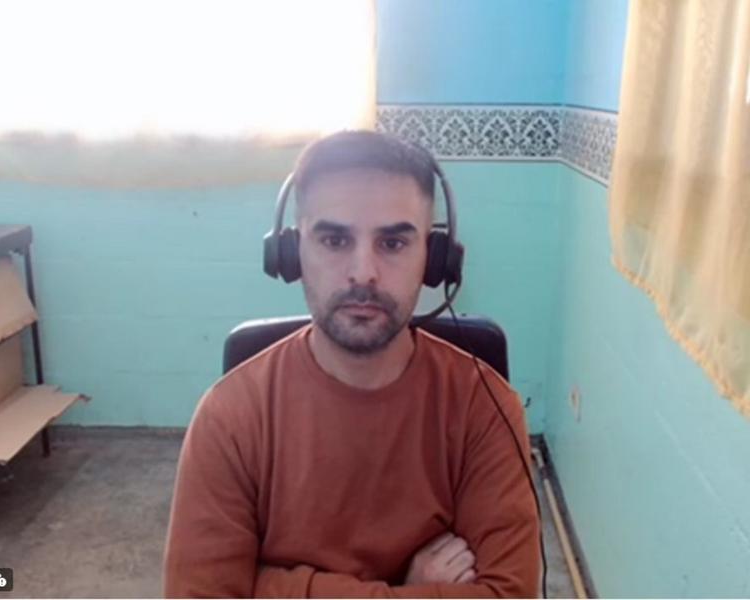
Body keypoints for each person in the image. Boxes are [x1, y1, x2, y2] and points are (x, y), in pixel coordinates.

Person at [163, 130, 540, 598]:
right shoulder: (230, 417)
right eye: (335, 240)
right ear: (292, 253)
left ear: (434, 259)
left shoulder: (485, 407)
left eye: (393, 243)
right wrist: (405, 589)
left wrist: (268, 586)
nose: (363, 272)